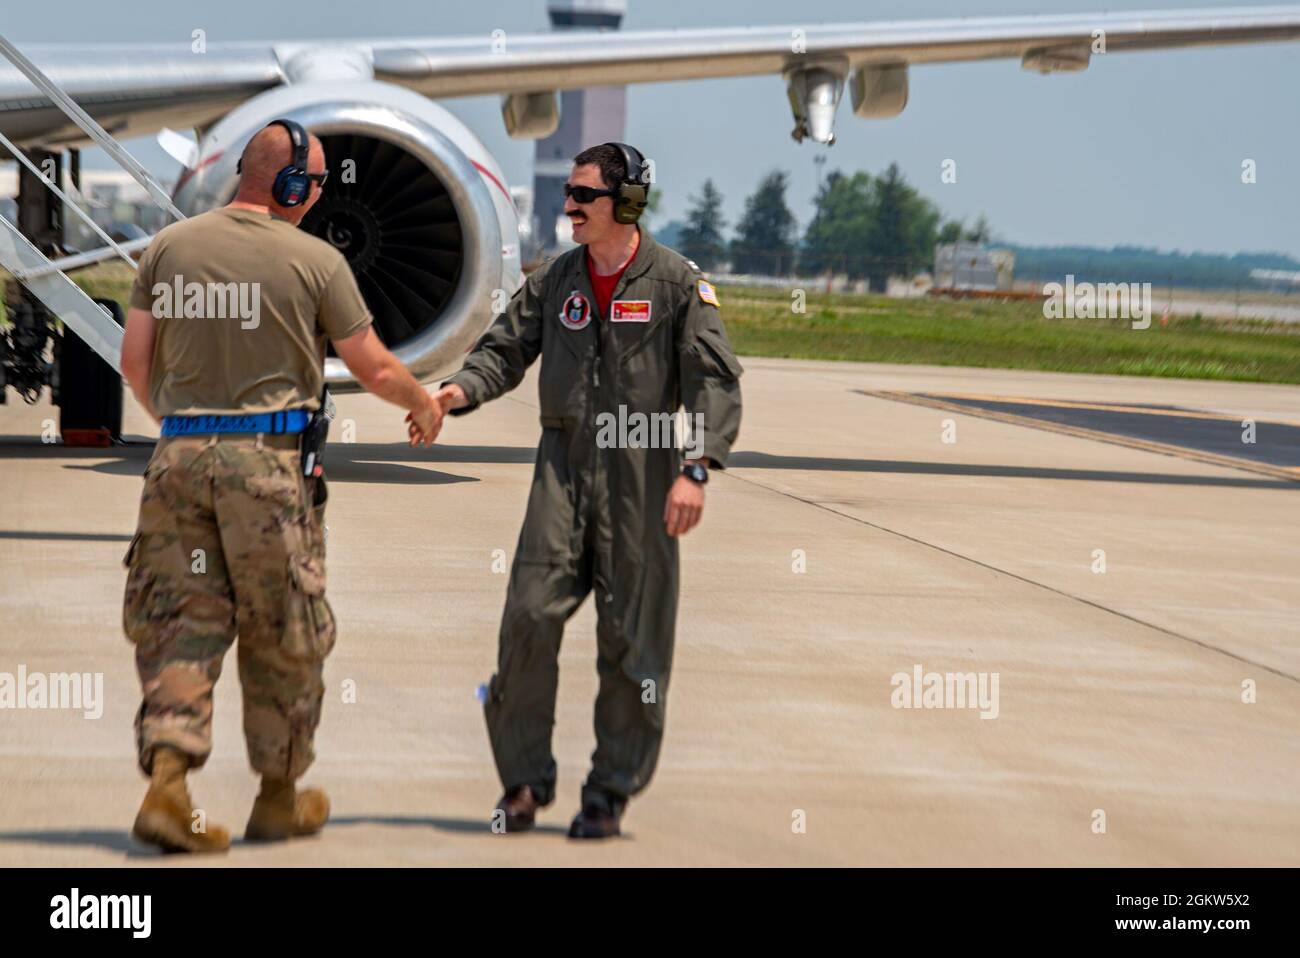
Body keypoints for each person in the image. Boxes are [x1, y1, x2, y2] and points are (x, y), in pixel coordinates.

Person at [119, 118, 442, 853]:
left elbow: (135, 362)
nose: (319, 195)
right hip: (265, 468)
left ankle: (169, 788)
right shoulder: (317, 261)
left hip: (176, 460)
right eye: (318, 182)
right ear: (294, 185)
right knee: (285, 630)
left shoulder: (169, 247)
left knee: (179, 622)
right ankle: (278, 796)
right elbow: (374, 368)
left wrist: (183, 427)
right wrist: (422, 403)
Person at [437, 142, 743, 839]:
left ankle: (608, 792)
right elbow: (504, 349)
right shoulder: (557, 282)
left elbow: (713, 383)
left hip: (645, 472)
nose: (568, 206)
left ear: (626, 204)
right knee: (527, 620)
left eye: (583, 196)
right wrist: (458, 391)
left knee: (634, 643)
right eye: (569, 194)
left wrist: (697, 468)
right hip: (564, 468)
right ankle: (522, 784)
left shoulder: (675, 286)